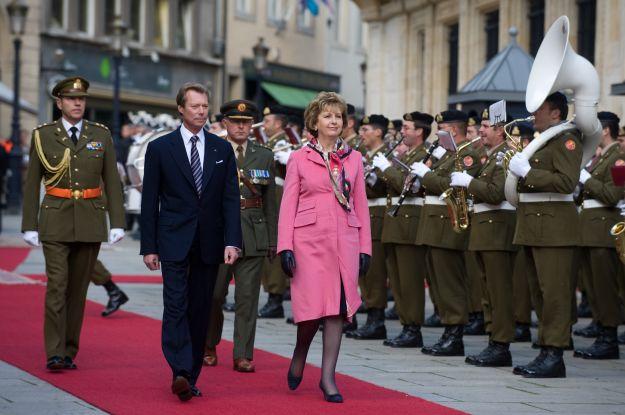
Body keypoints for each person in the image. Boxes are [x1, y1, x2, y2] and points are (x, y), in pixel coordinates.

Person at [140, 82, 242, 400]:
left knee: (201, 309)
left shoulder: (221, 149)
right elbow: (150, 201)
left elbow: (229, 199)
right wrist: (149, 246)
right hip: (172, 240)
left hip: (209, 242)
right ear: (181, 109)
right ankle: (180, 370)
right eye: (194, 106)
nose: (201, 111)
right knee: (175, 305)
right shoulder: (160, 148)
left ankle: (191, 373)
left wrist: (232, 241)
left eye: (204, 106)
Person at [21, 76, 126, 371]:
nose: (77, 103)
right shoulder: (43, 135)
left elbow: (112, 182)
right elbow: (31, 185)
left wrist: (117, 221)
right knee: (57, 286)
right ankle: (53, 352)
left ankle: (68, 350)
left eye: (81, 98)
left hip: (91, 218)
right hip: (55, 218)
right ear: (59, 103)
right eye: (70, 98)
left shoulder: (100, 134)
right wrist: (30, 224)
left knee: (78, 291)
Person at [278, 92, 371, 403]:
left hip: (344, 241)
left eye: (339, 117)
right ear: (314, 122)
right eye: (328, 116)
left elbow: (361, 205)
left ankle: (328, 377)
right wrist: (284, 246)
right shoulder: (298, 158)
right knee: (310, 311)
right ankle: (300, 351)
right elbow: (288, 204)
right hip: (307, 242)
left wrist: (365, 249)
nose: (335, 121)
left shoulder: (354, 159)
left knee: (337, 310)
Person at [508, 92, 581, 378]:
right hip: (533, 225)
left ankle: (555, 353)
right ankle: (546, 350)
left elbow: (566, 182)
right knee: (539, 294)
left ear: (555, 113)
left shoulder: (566, 140)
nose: (533, 113)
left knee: (555, 295)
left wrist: (527, 172)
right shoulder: (541, 142)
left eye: (540, 109)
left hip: (554, 228)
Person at [203, 99, 277, 372]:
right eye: (236, 122)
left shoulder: (264, 154)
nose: (241, 127)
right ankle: (208, 345)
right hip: (221, 233)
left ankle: (243, 354)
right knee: (213, 295)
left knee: (247, 298)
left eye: (246, 123)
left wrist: (272, 239)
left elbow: (271, 201)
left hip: (254, 232)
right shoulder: (213, 150)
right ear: (225, 124)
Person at [411, 110, 481, 356]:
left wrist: (426, 175)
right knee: (439, 283)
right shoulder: (448, 154)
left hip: (447, 225)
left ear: (452, 130)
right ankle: (448, 330)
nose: (438, 135)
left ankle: (455, 334)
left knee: (450, 282)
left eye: (442, 130)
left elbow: (452, 186)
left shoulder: (468, 154)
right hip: (433, 224)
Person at [452, 107, 517, 366]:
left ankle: (501, 344)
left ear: (500, 130)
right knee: (488, 291)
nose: (480, 130)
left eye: (487, 126)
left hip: (498, 229)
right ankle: (494, 340)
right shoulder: (488, 155)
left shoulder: (503, 155)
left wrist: (469, 183)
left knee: (499, 292)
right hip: (485, 229)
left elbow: (496, 192)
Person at [371, 111, 434, 347]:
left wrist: (387, 169)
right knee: (397, 280)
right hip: (396, 223)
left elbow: (407, 186)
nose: (402, 132)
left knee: (410, 280)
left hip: (410, 223)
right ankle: (406, 324)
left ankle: (413, 327)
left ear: (419, 131)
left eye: (407, 128)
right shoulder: (407, 154)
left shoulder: (425, 155)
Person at [572, 111, 624, 360]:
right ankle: (601, 331)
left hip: (604, 231)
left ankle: (609, 338)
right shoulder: (600, 157)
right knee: (593, 288)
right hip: (589, 230)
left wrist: (587, 179)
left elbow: (613, 195)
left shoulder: (619, 158)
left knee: (605, 288)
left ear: (605, 130)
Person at [347, 114, 390, 340]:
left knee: (374, 273)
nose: (361, 134)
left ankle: (377, 320)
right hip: (361, 217)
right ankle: (368, 316)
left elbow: (388, 186)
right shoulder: (363, 155)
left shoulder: (387, 156)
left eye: (366, 130)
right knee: (362, 272)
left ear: (378, 133)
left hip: (377, 216)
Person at [259, 105, 290, 319]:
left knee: (274, 245)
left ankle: (276, 297)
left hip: (276, 196)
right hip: (265, 194)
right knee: (265, 247)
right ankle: (271, 294)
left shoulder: (283, 144)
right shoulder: (269, 143)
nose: (264, 124)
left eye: (268, 121)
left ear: (278, 124)